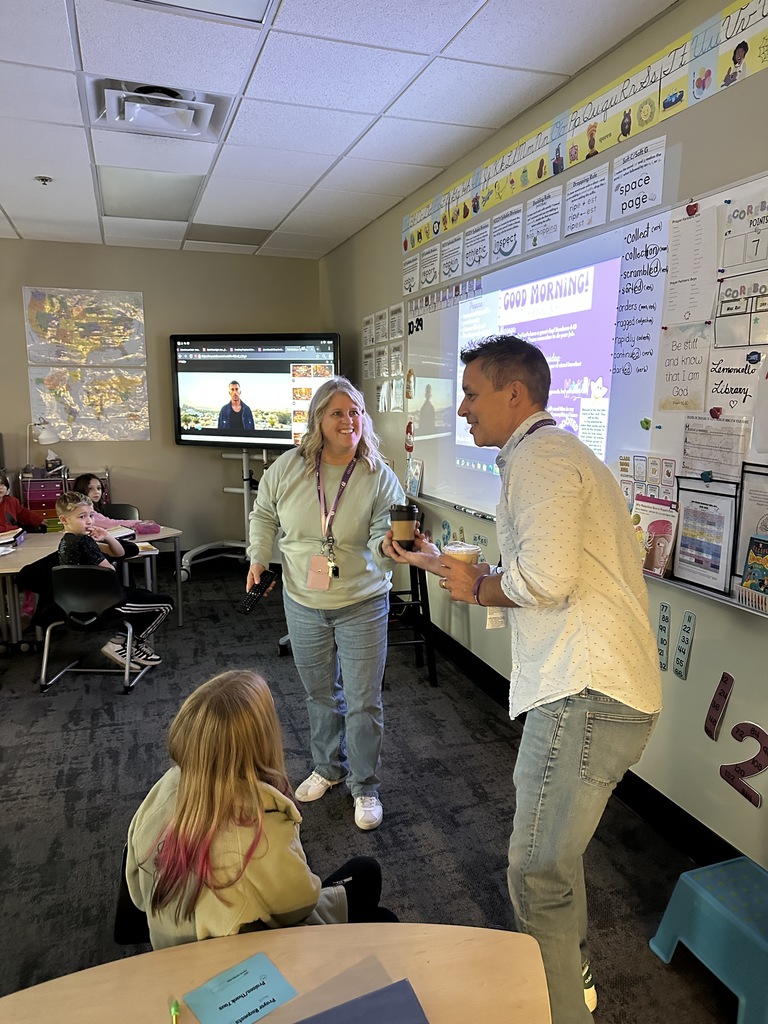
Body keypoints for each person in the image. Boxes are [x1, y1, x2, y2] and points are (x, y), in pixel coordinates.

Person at [386, 336, 662, 1024]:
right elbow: (545, 574)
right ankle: (568, 968)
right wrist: (444, 567)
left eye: (473, 393)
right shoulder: (548, 457)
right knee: (552, 865)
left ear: (517, 394)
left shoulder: (541, 459)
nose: (462, 407)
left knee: (536, 874)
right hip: (591, 690)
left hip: (586, 695)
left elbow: (543, 578)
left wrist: (480, 589)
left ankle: (562, 1005)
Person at [126, 670, 396, 949]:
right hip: (244, 967)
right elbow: (299, 904)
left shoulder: (162, 791)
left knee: (364, 874)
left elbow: (135, 894)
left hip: (172, 949)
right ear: (261, 742)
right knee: (379, 906)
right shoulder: (258, 822)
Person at [247, 376, 404, 831]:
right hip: (302, 598)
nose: (348, 420)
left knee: (362, 699)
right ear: (318, 418)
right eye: (338, 412)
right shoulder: (289, 467)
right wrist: (258, 557)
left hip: (362, 600)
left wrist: (388, 546)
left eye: (355, 412)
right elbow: (264, 514)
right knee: (319, 693)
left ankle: (365, 785)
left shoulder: (378, 474)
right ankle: (328, 768)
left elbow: (381, 533)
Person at [56, 491, 173, 668]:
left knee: (144, 596)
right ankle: (125, 644)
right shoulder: (84, 542)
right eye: (82, 517)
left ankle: (123, 641)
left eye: (91, 515)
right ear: (64, 520)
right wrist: (102, 550)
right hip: (106, 600)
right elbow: (109, 571)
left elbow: (119, 553)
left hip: (79, 602)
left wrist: (107, 536)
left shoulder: (68, 541)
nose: (89, 521)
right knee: (165, 604)